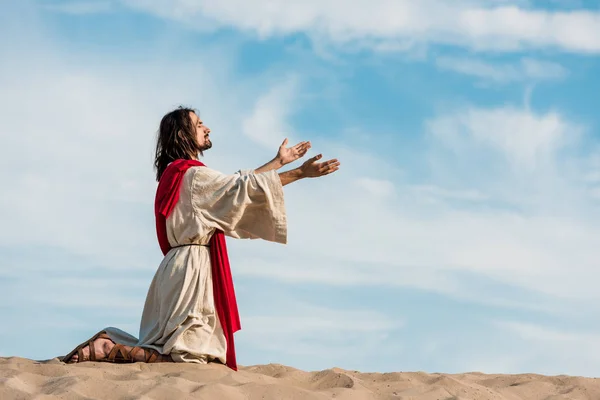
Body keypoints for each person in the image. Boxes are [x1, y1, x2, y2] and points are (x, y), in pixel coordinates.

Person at [62, 106, 340, 369]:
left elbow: (237, 188)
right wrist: (300, 173)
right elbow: (240, 189)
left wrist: (278, 162)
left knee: (185, 352)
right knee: (188, 357)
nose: (207, 128)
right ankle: (109, 347)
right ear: (184, 134)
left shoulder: (181, 174)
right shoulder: (194, 176)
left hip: (179, 266)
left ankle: (113, 344)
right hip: (191, 271)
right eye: (198, 124)